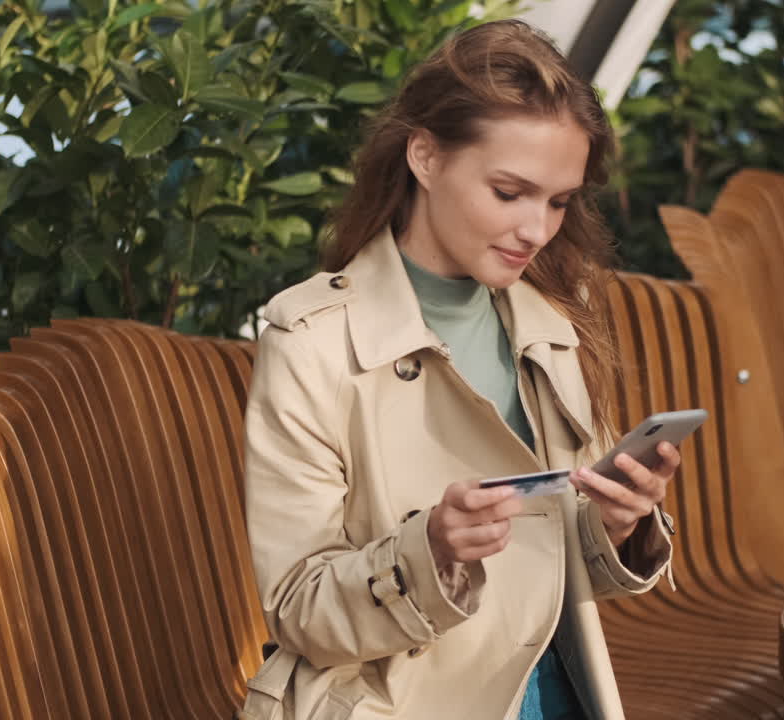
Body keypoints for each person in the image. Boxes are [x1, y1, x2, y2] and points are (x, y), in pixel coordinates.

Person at [242, 19, 679, 720]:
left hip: (556, 690)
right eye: (510, 193)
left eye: (559, 201)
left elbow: (549, 571)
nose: (537, 230)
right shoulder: (312, 343)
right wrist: (431, 552)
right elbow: (300, 610)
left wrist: (619, 524)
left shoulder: (549, 321)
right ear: (425, 156)